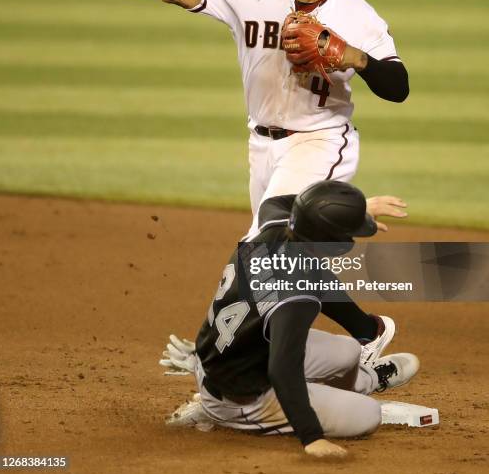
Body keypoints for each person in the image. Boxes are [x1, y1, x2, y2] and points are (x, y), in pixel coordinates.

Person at [34, 0, 409, 240]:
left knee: (264, 241)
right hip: (261, 144)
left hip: (319, 141)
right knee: (288, 253)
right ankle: (358, 316)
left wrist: (351, 56)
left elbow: (398, 87)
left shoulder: (356, 14)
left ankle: (339, 272)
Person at [162, 181, 419, 459]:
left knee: (349, 351)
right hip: (242, 396)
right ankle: (221, 415)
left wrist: (348, 210)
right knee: (368, 415)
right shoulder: (296, 298)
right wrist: (312, 438)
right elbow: (283, 369)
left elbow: (285, 202)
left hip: (224, 357)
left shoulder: (272, 224)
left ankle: (366, 380)